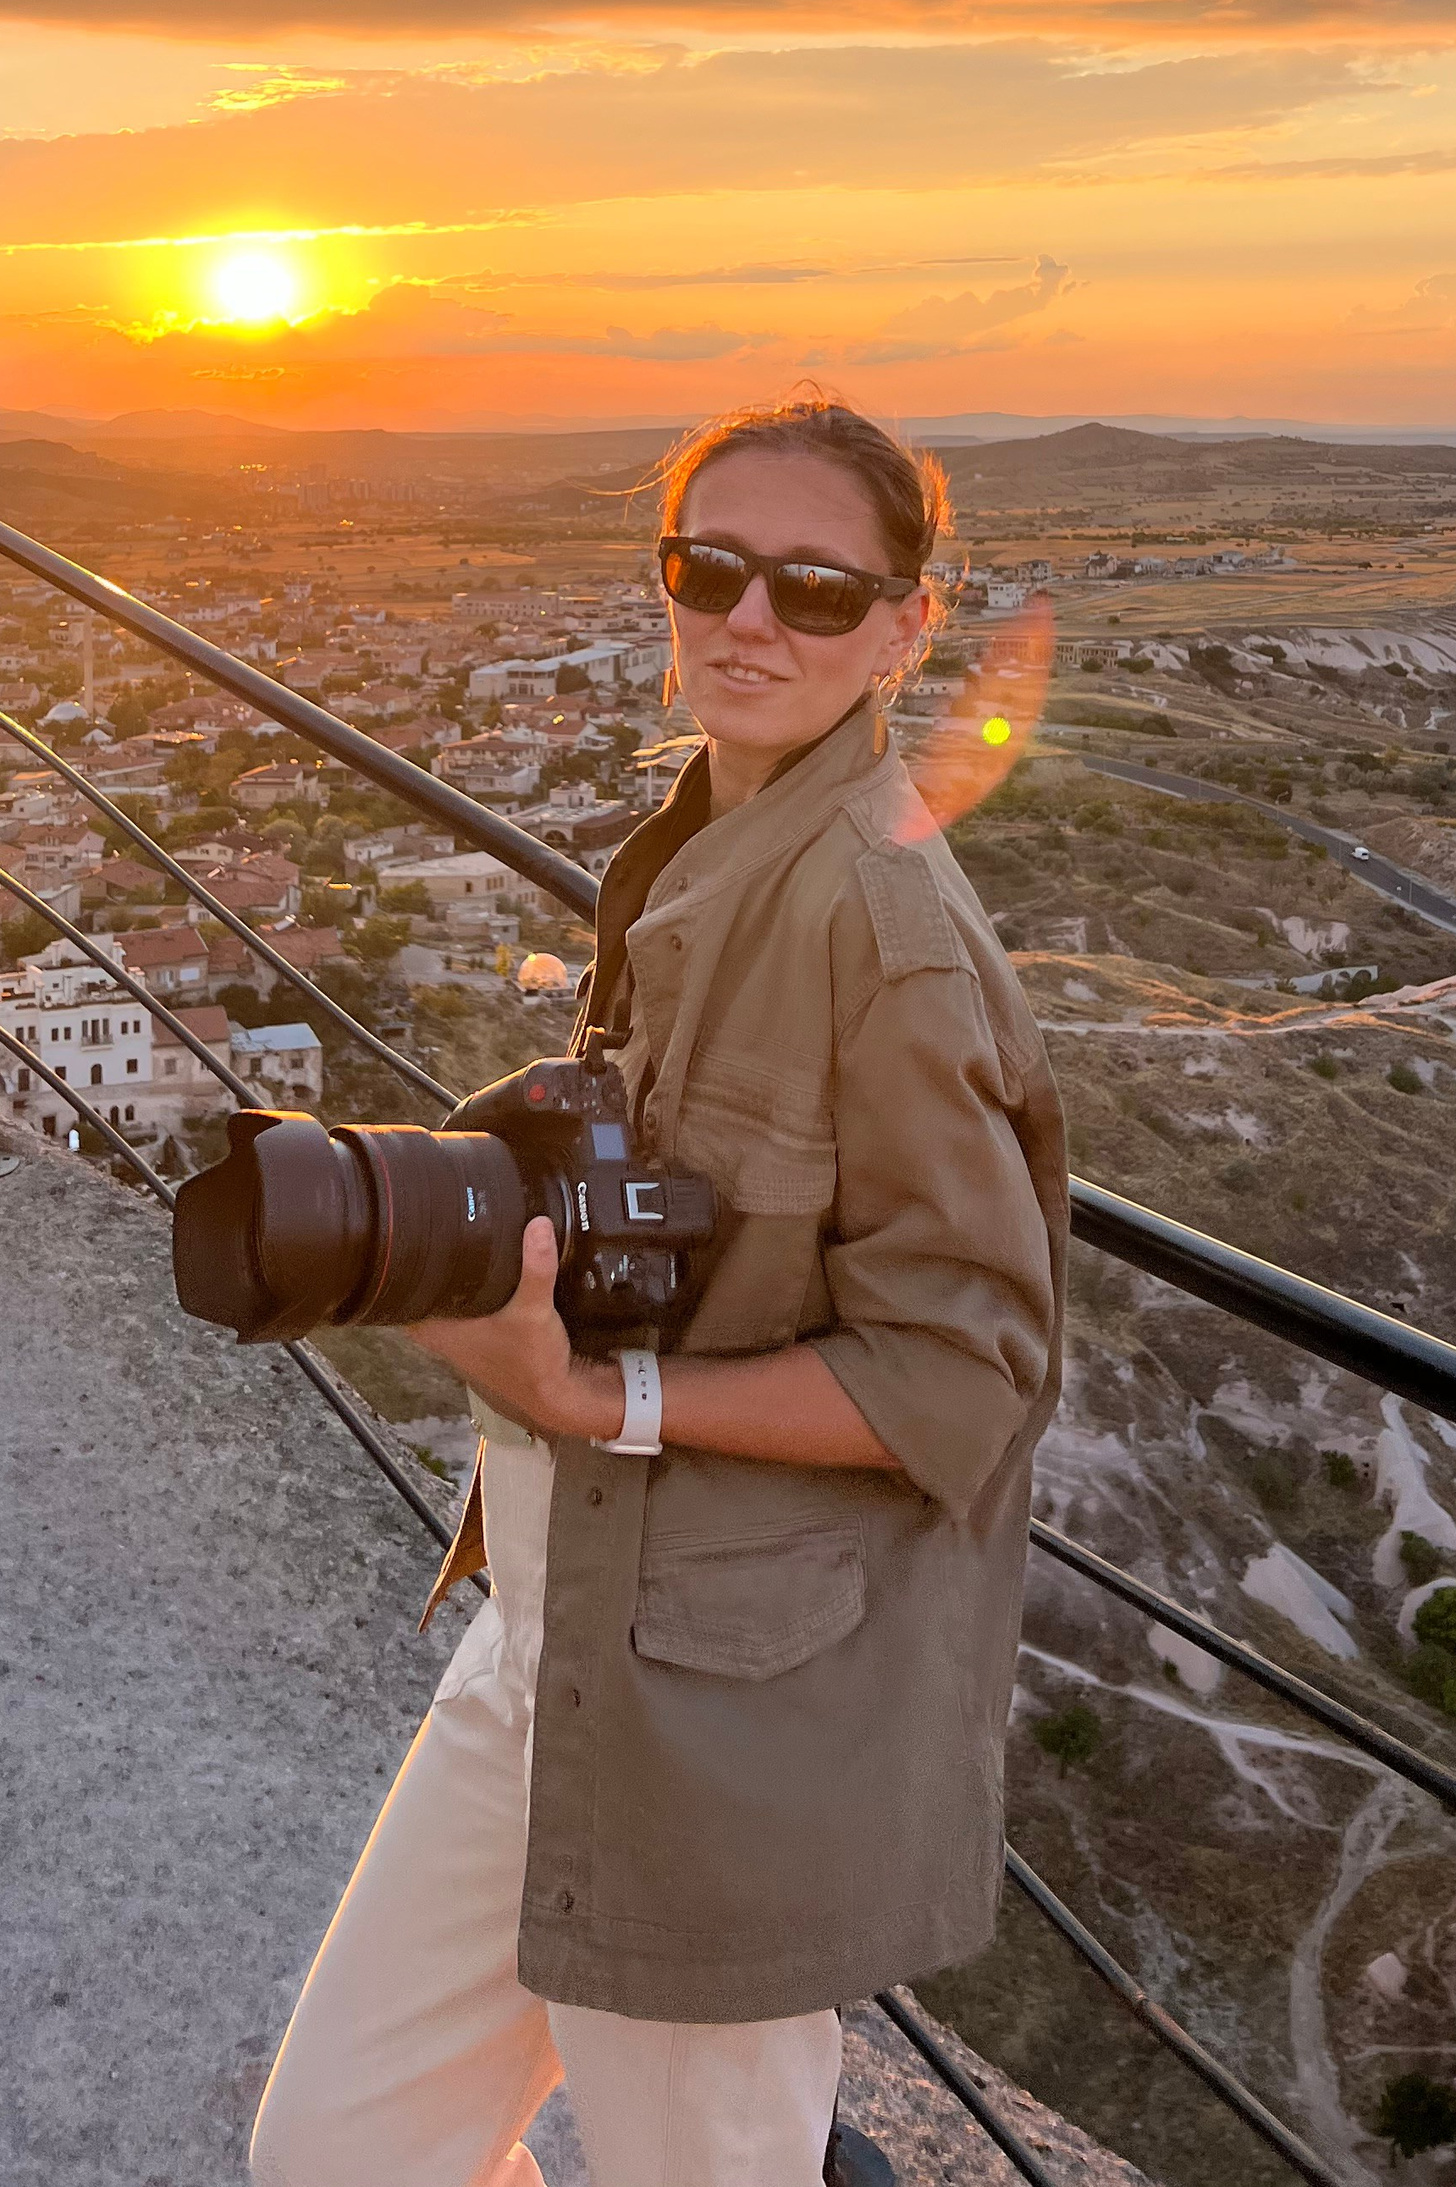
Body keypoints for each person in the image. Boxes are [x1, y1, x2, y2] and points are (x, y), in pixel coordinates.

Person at [250, 395, 1068, 2187]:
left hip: (716, 1703)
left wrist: (596, 1397)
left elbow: (965, 1372)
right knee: (336, 2154)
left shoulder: (889, 936)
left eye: (817, 588)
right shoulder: (697, 839)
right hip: (552, 1636)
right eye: (707, 567)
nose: (750, 619)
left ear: (910, 626)